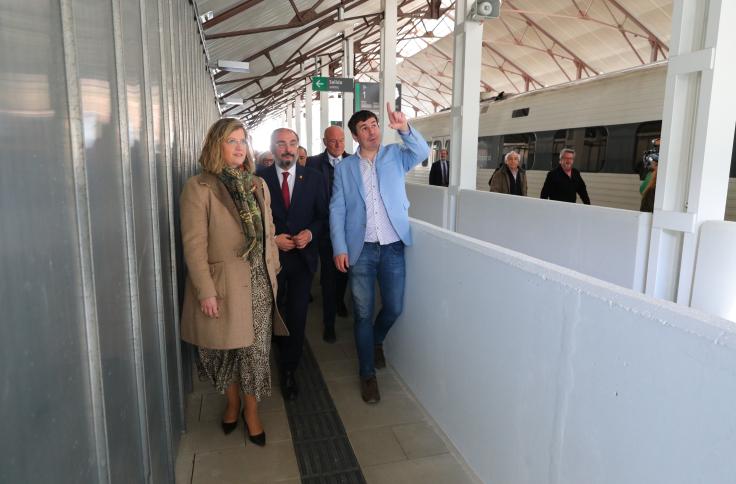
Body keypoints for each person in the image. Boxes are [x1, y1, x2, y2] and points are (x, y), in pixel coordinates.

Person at [179, 118, 288, 447]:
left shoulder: (258, 185)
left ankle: (251, 411)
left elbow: (268, 231)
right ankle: (232, 402)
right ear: (216, 145)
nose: (240, 147)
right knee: (220, 352)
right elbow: (194, 246)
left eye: (244, 140)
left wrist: (275, 267)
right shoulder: (199, 188)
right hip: (222, 286)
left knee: (255, 353)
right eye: (232, 141)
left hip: (258, 283)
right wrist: (205, 291)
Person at [330, 103, 429, 404]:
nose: (372, 130)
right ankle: (367, 373)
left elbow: (423, 153)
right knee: (362, 313)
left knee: (394, 307)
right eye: (365, 128)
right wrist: (339, 247)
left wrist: (405, 129)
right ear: (355, 136)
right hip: (361, 250)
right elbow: (337, 209)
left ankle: (376, 340)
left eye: (375, 124)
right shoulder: (345, 168)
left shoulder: (395, 156)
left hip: (393, 246)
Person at [257, 128, 328, 400]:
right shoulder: (258, 179)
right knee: (271, 312)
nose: (288, 149)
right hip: (270, 260)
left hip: (302, 260)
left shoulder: (314, 178)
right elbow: (253, 223)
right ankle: (267, 357)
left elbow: (322, 216)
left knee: (297, 316)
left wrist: (309, 234)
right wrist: (273, 239)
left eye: (293, 144)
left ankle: (289, 370)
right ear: (272, 148)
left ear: (299, 147)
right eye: (281, 144)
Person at [306, 126, 350, 343]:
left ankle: (340, 301)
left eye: (341, 140)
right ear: (325, 142)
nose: (338, 144)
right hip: (324, 229)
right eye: (333, 141)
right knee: (329, 276)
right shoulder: (312, 164)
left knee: (345, 273)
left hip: (349, 230)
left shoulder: (353, 161)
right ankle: (329, 323)